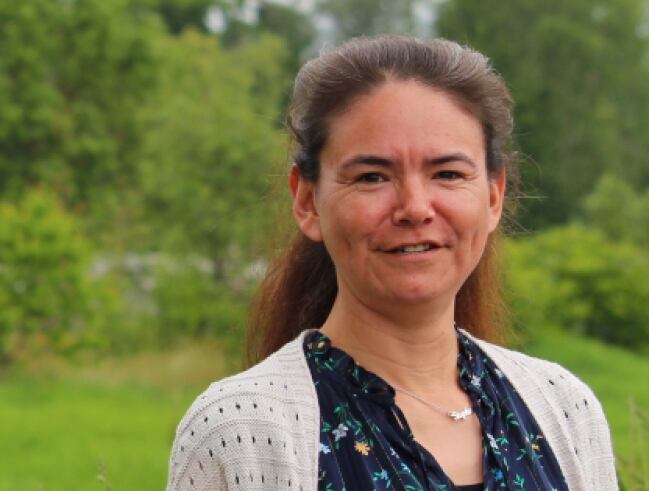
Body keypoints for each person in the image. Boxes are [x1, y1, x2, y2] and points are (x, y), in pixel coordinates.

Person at [166, 35, 618, 491]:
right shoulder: (241, 433)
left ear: (494, 195)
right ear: (307, 201)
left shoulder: (563, 410)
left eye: (447, 174)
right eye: (372, 177)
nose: (415, 207)